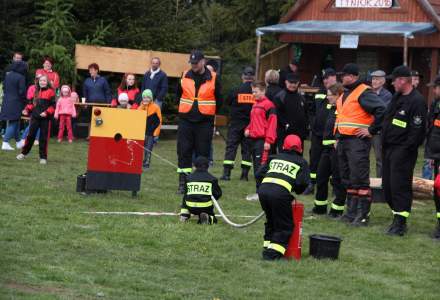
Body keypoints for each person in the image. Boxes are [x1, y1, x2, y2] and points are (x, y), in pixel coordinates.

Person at [335, 63, 386, 227]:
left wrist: (371, 130)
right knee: (348, 178)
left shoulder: (363, 92)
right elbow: (341, 118)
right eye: (342, 75)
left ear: (355, 76)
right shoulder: (346, 93)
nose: (343, 77)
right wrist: (337, 136)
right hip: (344, 140)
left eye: (346, 75)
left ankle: (363, 216)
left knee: (360, 178)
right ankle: (351, 213)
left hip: (357, 142)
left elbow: (381, 110)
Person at [381, 66, 427, 236]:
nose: (392, 83)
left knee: (399, 186)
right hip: (389, 148)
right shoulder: (397, 97)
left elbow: (417, 130)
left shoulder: (417, 101)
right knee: (388, 186)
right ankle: (396, 216)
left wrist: (405, 149)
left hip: (403, 151)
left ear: (402, 80)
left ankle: (400, 223)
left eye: (394, 80)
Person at [255, 134, 310, 261]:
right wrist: (295, 190)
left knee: (271, 220)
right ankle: (271, 254)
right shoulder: (301, 162)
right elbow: (302, 183)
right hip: (280, 194)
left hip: (263, 191)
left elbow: (259, 174)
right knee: (285, 226)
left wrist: (262, 188)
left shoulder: (273, 157)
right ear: (300, 149)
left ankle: (267, 246)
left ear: (283, 146)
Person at [175, 50, 222, 193]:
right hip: (186, 120)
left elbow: (219, 99)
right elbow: (179, 95)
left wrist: (209, 114)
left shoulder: (214, 78)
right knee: (184, 151)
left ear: (203, 62)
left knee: (203, 152)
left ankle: (202, 182)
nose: (194, 66)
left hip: (204, 122)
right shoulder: (184, 75)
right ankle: (183, 182)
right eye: (192, 63)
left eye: (196, 63)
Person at [312, 83, 347, 217]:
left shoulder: (343, 109)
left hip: (337, 150)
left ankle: (337, 210)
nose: (327, 97)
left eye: (330, 95)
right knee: (321, 177)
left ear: (338, 95)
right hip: (326, 149)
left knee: (337, 180)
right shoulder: (332, 108)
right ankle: (319, 207)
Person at [220, 67, 255, 181]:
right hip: (249, 125)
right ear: (253, 78)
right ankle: (244, 175)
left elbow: (227, 102)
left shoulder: (236, 89)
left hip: (235, 124)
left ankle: (226, 174)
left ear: (242, 77)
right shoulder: (255, 92)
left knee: (231, 148)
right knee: (247, 149)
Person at [306, 68, 337, 195]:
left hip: (331, 136)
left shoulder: (339, 92)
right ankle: (312, 184)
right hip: (317, 134)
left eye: (327, 77)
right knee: (314, 159)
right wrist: (313, 123)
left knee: (334, 162)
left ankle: (335, 186)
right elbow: (312, 110)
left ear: (334, 77)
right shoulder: (319, 92)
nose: (325, 80)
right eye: (323, 78)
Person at [244, 81, 277, 199]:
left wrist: (268, 141)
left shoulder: (269, 105)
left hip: (262, 141)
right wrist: (248, 128)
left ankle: (262, 193)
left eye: (255, 92)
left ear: (263, 91)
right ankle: (260, 192)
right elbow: (254, 121)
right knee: (256, 167)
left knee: (261, 168)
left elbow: (272, 124)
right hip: (253, 140)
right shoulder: (255, 104)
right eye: (252, 91)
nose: (253, 94)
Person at [17, 75, 56, 164]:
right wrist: (26, 110)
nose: (42, 82)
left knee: (43, 138)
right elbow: (31, 104)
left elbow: (53, 106)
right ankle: (24, 153)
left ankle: (43, 157)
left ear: (47, 82)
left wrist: (46, 113)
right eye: (41, 80)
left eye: (44, 81)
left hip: (45, 119)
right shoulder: (35, 92)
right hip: (34, 118)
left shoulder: (51, 92)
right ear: (38, 82)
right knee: (30, 136)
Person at [179, 156, 222, 224]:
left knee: (186, 196)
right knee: (214, 220)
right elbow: (218, 194)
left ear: (194, 166)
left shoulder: (188, 178)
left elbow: (186, 194)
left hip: (190, 207)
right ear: (208, 166)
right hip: (205, 207)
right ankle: (208, 217)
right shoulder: (212, 179)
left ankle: (184, 215)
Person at [274, 73, 308, 152]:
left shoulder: (301, 98)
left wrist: (305, 129)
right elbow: (278, 115)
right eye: (291, 82)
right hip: (284, 134)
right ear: (286, 82)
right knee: (285, 156)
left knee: (298, 158)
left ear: (298, 83)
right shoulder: (279, 97)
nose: (293, 85)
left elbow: (305, 114)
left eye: (295, 83)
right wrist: (286, 125)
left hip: (299, 135)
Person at [425, 75, 440, 239]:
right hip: (436, 156)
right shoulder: (436, 103)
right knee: (438, 192)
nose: (434, 90)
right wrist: (430, 156)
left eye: (435, 87)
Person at [370, 70, 392, 178]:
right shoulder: (367, 92)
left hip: (378, 131)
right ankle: (363, 183)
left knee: (379, 159)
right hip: (365, 129)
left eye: (377, 79)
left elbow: (382, 112)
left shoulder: (387, 95)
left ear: (383, 81)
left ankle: (380, 183)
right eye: (373, 79)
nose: (374, 81)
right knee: (362, 157)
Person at [0, 60, 27, 150]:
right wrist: (24, 101)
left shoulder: (8, 75)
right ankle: (5, 142)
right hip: (16, 102)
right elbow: (22, 92)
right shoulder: (21, 77)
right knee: (14, 122)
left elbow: (4, 87)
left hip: (6, 101)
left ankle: (18, 142)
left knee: (16, 121)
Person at [16, 74, 43, 149]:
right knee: (32, 124)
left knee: (39, 124)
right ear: (35, 80)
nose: (39, 81)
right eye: (37, 79)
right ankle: (23, 138)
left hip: (41, 108)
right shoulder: (32, 88)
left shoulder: (43, 88)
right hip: (33, 108)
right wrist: (27, 108)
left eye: (40, 79)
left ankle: (36, 140)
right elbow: (29, 99)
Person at [138, 89, 162, 169]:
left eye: (148, 97)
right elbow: (136, 119)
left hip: (151, 133)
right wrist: (142, 106)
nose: (146, 99)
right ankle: (138, 162)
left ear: (151, 98)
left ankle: (146, 164)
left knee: (148, 149)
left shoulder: (156, 107)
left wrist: (156, 133)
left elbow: (159, 121)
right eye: (144, 97)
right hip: (141, 133)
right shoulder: (140, 107)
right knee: (140, 148)